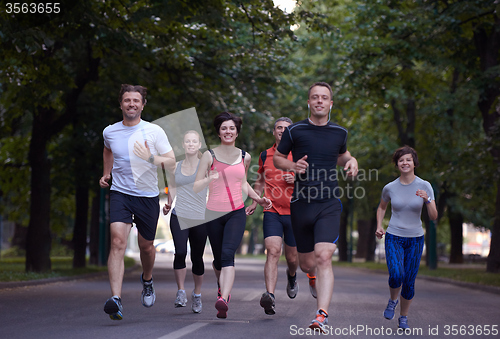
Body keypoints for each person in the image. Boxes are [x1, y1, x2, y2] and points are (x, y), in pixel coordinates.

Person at [273, 82, 358, 333]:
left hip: (329, 202)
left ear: (331, 104)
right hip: (301, 204)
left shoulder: (339, 132)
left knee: (324, 257)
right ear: (309, 103)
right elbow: (278, 157)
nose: (320, 101)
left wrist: (351, 160)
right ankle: (310, 277)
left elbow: (341, 155)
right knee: (307, 264)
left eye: (324, 98)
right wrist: (292, 166)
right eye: (315, 97)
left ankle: (322, 315)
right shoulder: (295, 130)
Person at [99, 84, 175, 320]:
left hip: (147, 196)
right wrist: (106, 173)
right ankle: (116, 299)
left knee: (146, 246)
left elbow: (171, 161)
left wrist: (150, 157)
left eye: (136, 100)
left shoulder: (154, 131)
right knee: (118, 242)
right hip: (120, 193)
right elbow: (107, 150)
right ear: (120, 104)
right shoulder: (110, 131)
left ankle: (147, 279)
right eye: (127, 100)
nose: (131, 104)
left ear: (143, 105)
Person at [193, 111, 272, 319]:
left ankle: (224, 298)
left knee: (228, 254)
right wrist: (209, 179)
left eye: (232, 128)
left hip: (236, 211)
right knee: (219, 259)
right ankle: (222, 288)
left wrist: (258, 198)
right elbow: (196, 186)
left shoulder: (245, 156)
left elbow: (243, 182)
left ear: (237, 132)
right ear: (219, 132)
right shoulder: (209, 155)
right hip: (213, 213)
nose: (228, 131)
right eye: (224, 128)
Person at [375, 146, 438, 330]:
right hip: (394, 236)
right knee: (396, 274)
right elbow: (381, 207)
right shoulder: (390, 187)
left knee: (409, 281)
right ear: (397, 164)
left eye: (408, 159)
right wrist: (379, 226)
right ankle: (392, 301)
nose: (405, 163)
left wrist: (427, 199)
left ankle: (403, 317)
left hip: (415, 239)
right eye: (401, 160)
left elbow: (433, 216)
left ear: (414, 163)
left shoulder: (425, 186)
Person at [246, 117, 300, 315]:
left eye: (287, 129)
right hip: (272, 210)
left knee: (292, 258)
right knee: (273, 250)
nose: (282, 131)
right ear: (274, 131)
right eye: (279, 128)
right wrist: (255, 201)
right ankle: (270, 296)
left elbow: (313, 180)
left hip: (295, 213)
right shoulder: (264, 155)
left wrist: (296, 178)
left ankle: (292, 275)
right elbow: (259, 180)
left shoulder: (300, 154)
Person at [162, 130, 208, 313]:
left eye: (194, 141)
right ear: (183, 145)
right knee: (180, 252)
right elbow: (172, 185)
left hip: (199, 217)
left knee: (197, 257)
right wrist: (168, 203)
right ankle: (181, 291)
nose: (190, 144)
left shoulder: (205, 165)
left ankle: (197, 295)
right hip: (179, 215)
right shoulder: (176, 166)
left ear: (199, 145)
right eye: (187, 141)